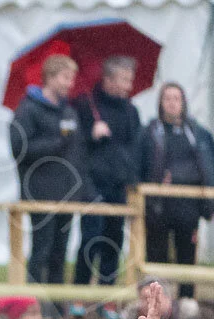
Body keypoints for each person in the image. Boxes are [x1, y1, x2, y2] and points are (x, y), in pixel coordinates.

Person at [139, 83, 214, 300]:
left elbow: (212, 169)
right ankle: (156, 302)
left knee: (187, 257)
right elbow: (139, 168)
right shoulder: (150, 133)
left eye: (176, 98)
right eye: (167, 98)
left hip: (189, 209)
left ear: (183, 102)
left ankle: (187, 302)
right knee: (157, 257)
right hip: (158, 208)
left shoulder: (198, 134)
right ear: (160, 102)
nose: (172, 103)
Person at [10, 54, 86, 289]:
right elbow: (18, 148)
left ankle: (55, 310)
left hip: (67, 194)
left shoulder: (70, 112)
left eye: (72, 78)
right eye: (65, 77)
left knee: (60, 254)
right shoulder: (28, 110)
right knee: (41, 250)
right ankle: (34, 307)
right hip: (39, 193)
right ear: (50, 77)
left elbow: (78, 153)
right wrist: (56, 143)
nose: (70, 83)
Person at [74, 56, 142, 303]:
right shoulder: (86, 105)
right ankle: (79, 295)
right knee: (91, 238)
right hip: (93, 184)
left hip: (119, 185)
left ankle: (107, 297)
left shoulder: (131, 111)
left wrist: (132, 177)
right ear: (108, 79)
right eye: (124, 79)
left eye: (130, 79)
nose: (128, 85)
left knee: (114, 241)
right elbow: (76, 145)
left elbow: (136, 147)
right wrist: (92, 134)